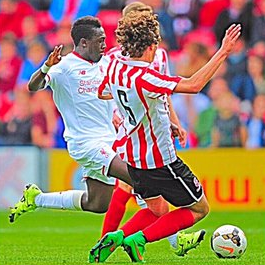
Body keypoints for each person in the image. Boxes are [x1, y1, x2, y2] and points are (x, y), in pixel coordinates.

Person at [89, 10, 241, 263]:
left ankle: (117, 237)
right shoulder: (146, 77)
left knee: (157, 209)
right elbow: (193, 85)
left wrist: (150, 114)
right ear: (151, 47)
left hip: (133, 160)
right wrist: (223, 51)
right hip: (160, 162)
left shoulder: (115, 67)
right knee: (199, 208)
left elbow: (103, 93)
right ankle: (138, 241)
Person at [9, 16, 135, 223]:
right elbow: (32, 86)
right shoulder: (64, 67)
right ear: (84, 42)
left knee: (97, 204)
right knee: (139, 177)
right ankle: (177, 237)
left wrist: (114, 113)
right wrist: (46, 68)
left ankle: (37, 198)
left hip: (109, 140)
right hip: (86, 143)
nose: (104, 45)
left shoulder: (105, 63)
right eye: (100, 40)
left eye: (105, 39)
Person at [100, 2, 193, 251]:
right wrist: (112, 114)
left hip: (155, 127)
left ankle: (113, 241)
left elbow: (164, 92)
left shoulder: (160, 55)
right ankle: (110, 239)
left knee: (153, 201)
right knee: (129, 187)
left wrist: (174, 121)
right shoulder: (114, 57)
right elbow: (104, 90)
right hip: (131, 129)